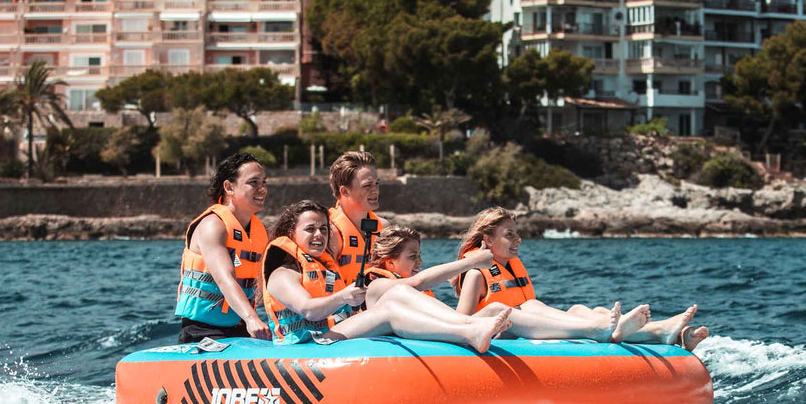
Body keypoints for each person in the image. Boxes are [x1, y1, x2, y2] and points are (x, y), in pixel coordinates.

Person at [262, 200, 511, 352]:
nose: (319, 235)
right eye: (310, 229)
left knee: (398, 292)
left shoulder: (323, 267)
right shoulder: (282, 274)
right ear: (291, 233)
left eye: (324, 229)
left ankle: (471, 326)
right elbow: (309, 311)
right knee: (390, 310)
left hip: (328, 336)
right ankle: (468, 332)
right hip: (305, 348)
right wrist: (343, 297)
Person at [453, 207, 710, 349]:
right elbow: (461, 324)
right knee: (530, 306)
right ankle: (608, 330)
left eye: (517, 234)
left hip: (525, 326)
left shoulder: (509, 267)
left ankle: (665, 332)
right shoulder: (476, 274)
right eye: (510, 235)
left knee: (580, 308)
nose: (517, 240)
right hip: (503, 335)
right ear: (487, 240)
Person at [370, 227, 625, 341]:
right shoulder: (378, 287)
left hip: (453, 331)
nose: (419, 262)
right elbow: (419, 281)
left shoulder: (408, 291)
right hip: (449, 338)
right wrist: (473, 263)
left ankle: (605, 326)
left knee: (535, 305)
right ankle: (591, 330)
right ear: (388, 263)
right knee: (496, 310)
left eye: (420, 255)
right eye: (412, 257)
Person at [174, 152, 271, 344]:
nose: (262, 189)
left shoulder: (257, 231)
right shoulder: (213, 225)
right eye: (254, 183)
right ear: (229, 187)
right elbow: (224, 279)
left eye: (264, 183)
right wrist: (252, 318)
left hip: (241, 326)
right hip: (203, 331)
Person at [326, 150, 384, 286]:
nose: (375, 190)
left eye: (377, 183)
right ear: (345, 191)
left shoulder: (383, 228)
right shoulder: (329, 231)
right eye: (367, 186)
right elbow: (326, 282)